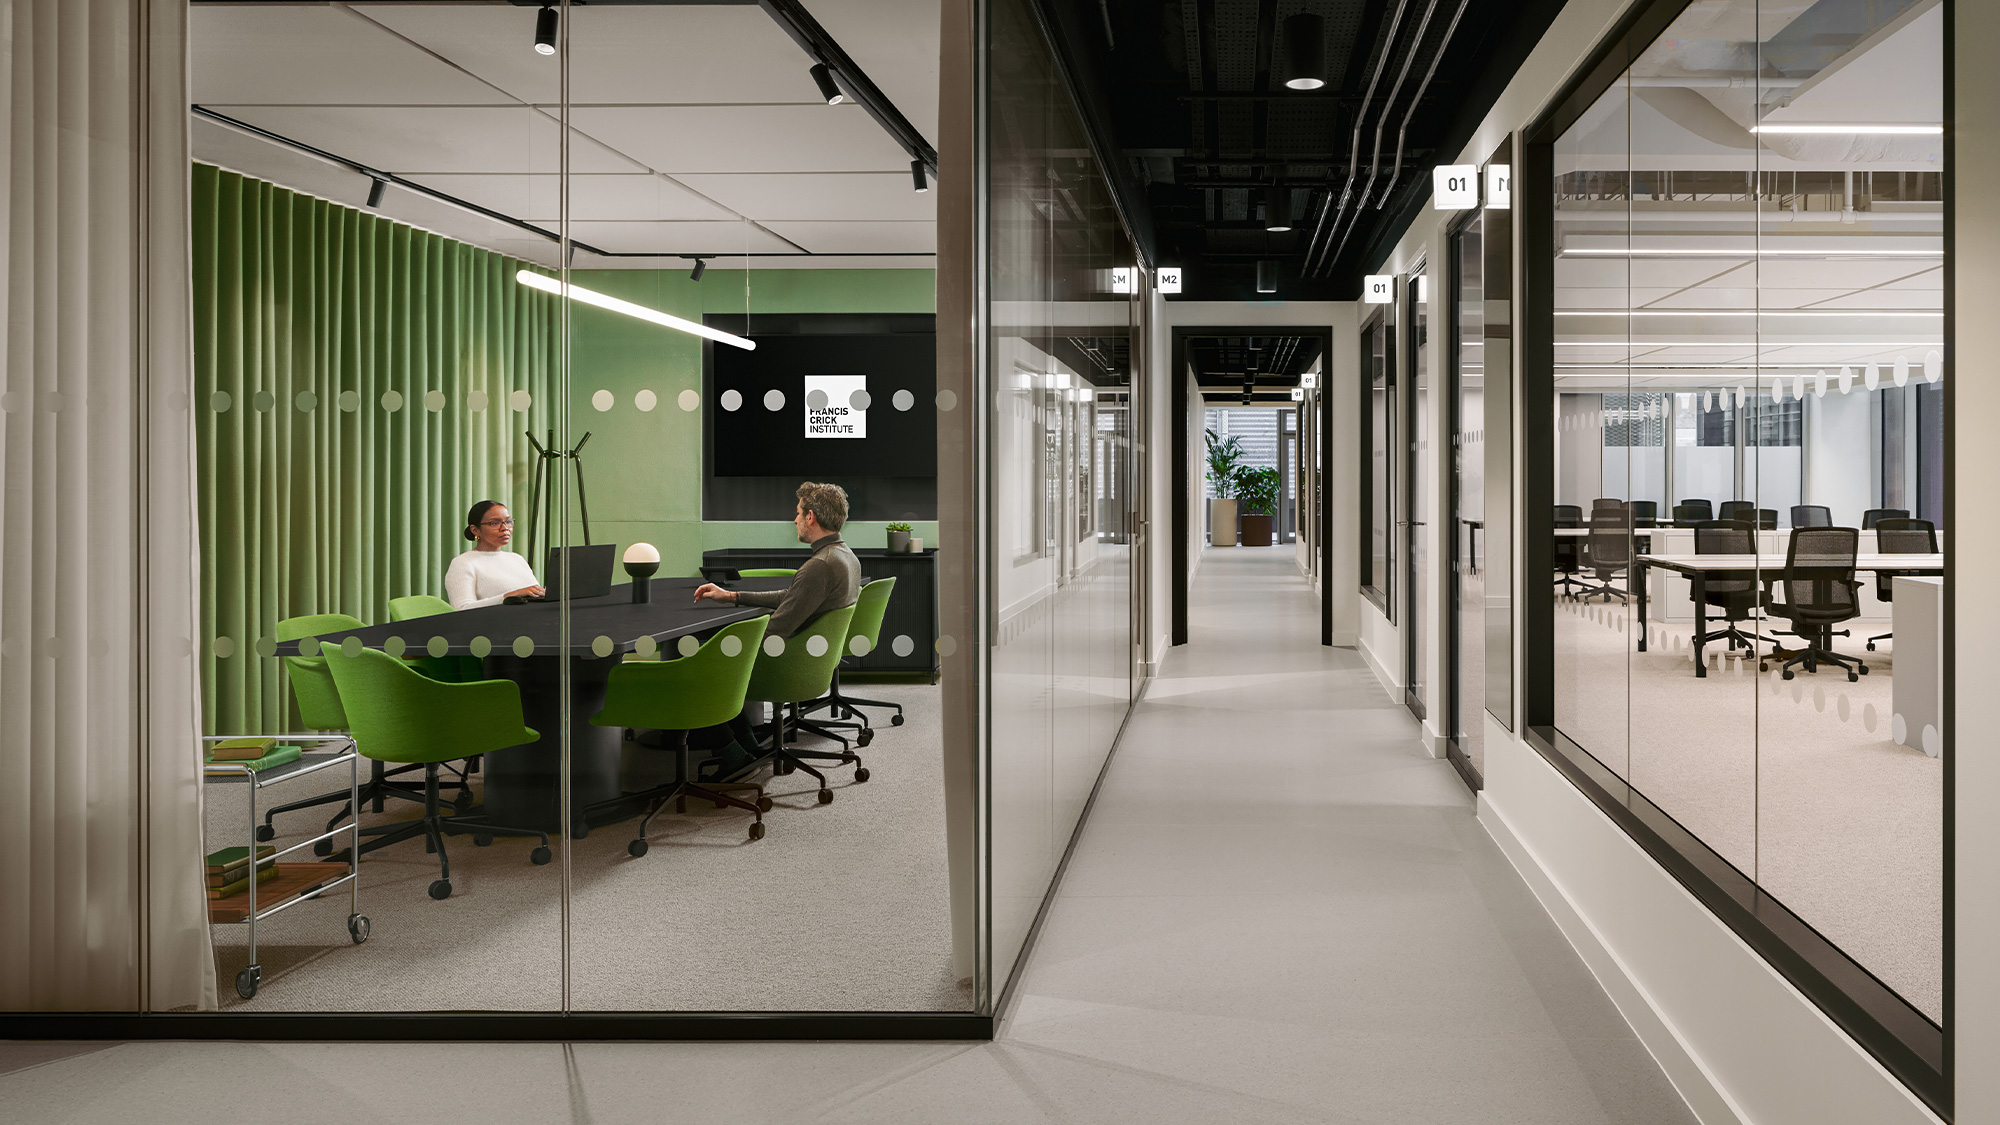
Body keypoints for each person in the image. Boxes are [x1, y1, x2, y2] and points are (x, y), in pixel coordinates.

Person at [693, 481, 859, 639]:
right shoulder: (847, 556)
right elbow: (792, 598)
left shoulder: (820, 566)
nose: (795, 520)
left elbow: (774, 631)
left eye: (798, 513)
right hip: (817, 656)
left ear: (810, 516)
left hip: (789, 657)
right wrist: (731, 596)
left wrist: (721, 641)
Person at [444, 500, 545, 609]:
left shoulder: (517, 559)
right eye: (495, 523)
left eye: (508, 521)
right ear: (475, 530)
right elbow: (462, 608)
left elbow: (536, 594)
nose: (505, 528)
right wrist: (507, 597)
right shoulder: (463, 563)